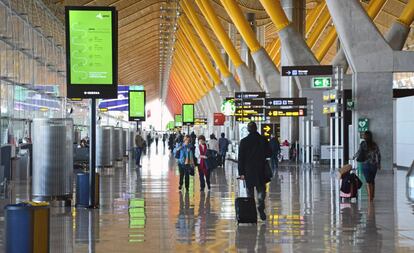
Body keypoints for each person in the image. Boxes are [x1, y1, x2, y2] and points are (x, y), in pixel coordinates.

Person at [238, 122, 272, 221]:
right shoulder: (263, 140)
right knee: (261, 190)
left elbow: (241, 158)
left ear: (248, 130)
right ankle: (260, 206)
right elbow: (269, 153)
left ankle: (252, 212)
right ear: (256, 129)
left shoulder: (244, 141)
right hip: (261, 170)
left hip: (248, 171)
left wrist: (241, 173)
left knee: (250, 193)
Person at [353, 131, 381, 202]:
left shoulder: (363, 144)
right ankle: (372, 195)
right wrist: (379, 163)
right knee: (372, 180)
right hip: (373, 165)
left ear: (365, 137)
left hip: (365, 165)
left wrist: (354, 157)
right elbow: (378, 154)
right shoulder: (374, 144)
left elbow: (359, 152)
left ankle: (370, 197)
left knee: (368, 181)